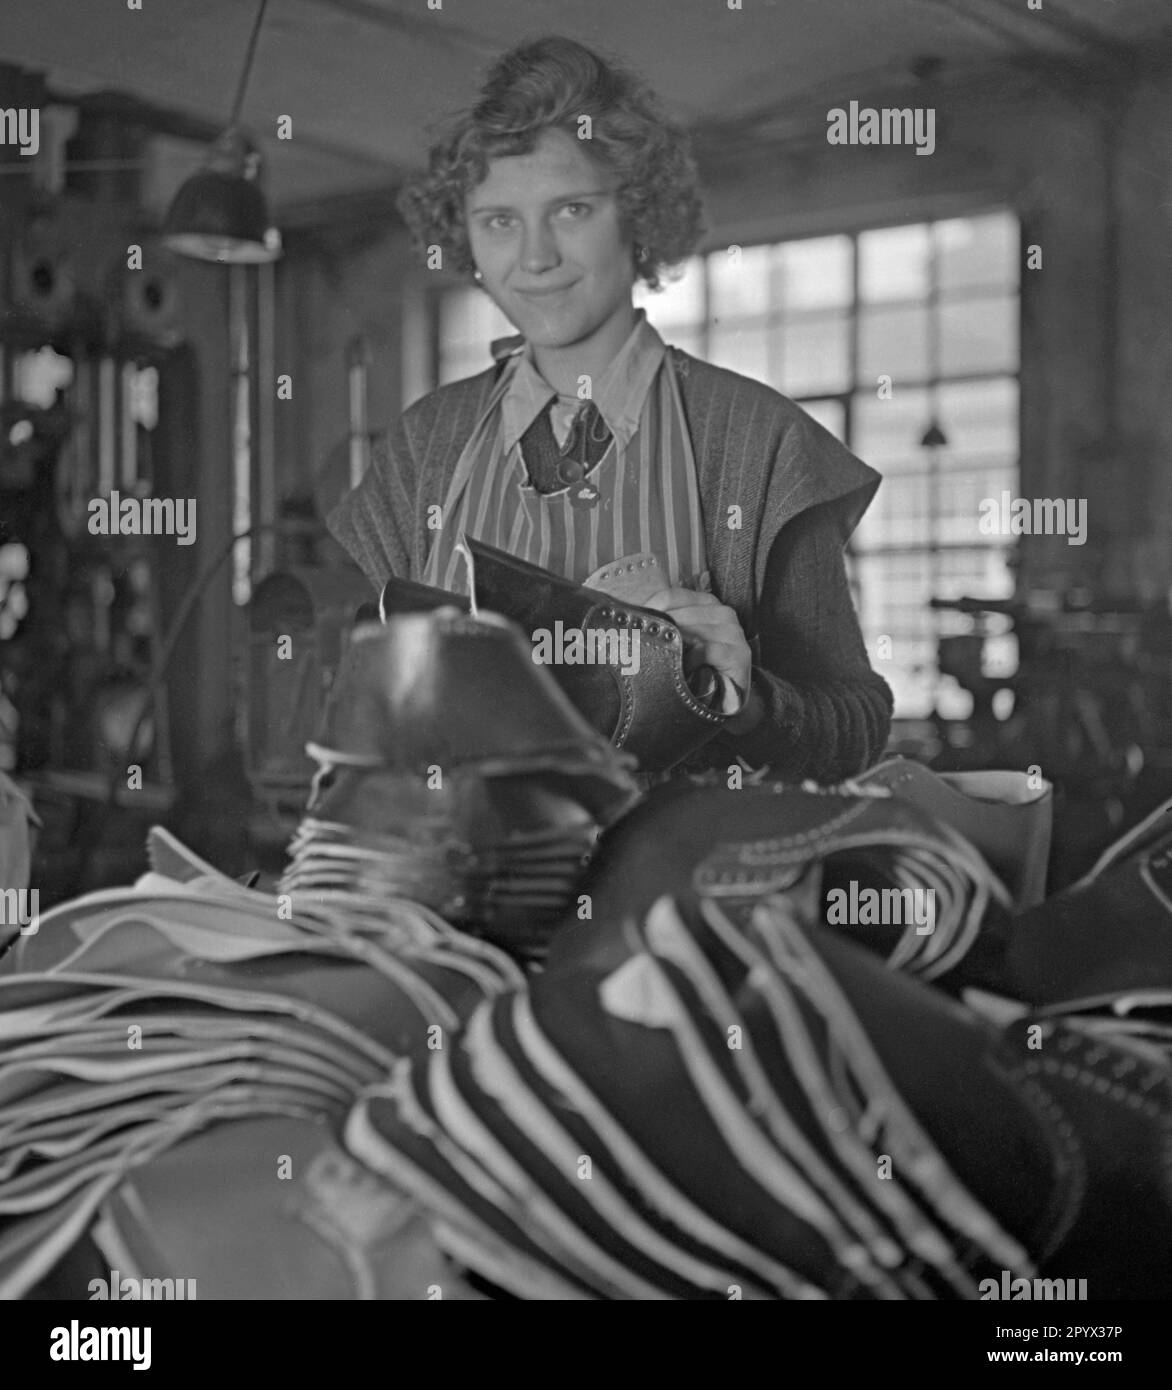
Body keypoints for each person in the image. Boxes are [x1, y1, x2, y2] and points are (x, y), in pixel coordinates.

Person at [328, 36, 893, 784]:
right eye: (498, 220)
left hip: (674, 886)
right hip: (459, 883)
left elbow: (854, 729)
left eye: (571, 210)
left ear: (638, 215)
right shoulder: (423, 447)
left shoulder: (757, 443)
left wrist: (751, 704)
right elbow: (370, 713)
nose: (534, 258)